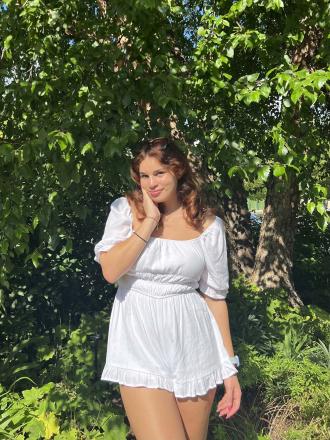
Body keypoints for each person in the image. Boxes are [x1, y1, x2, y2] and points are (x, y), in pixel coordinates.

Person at [94, 137, 242, 440]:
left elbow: (215, 298)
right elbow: (110, 271)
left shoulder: (208, 225)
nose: (151, 183)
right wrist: (149, 221)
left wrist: (229, 368)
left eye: (159, 173)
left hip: (194, 346)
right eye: (144, 176)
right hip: (138, 345)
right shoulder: (126, 211)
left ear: (178, 171)